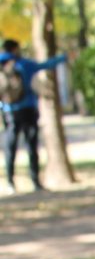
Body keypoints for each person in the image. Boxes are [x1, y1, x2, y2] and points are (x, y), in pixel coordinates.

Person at [0, 38, 66, 194]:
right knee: (31, 145)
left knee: (10, 147)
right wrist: (63, 58)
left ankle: (10, 182)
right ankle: (35, 181)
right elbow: (45, 65)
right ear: (15, 49)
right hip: (28, 109)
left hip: (8, 111)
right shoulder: (23, 64)